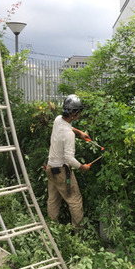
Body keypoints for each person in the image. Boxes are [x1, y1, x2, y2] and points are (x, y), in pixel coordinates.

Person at [45, 94, 90, 230]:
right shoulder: (68, 135)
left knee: (53, 200)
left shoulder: (58, 120)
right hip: (62, 173)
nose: (80, 114)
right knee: (75, 201)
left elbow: (66, 127)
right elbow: (69, 159)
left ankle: (53, 229)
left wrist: (79, 132)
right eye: (79, 112)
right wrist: (82, 167)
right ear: (73, 113)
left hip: (50, 168)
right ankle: (78, 233)